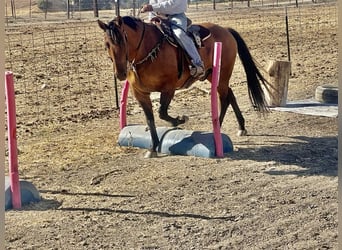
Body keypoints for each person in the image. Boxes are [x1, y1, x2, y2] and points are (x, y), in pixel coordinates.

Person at [140, 0, 205, 79]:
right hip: (158, 15)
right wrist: (152, 17)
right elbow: (153, 2)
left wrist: (152, 7)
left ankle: (198, 63)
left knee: (179, 34)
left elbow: (173, 3)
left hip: (176, 16)